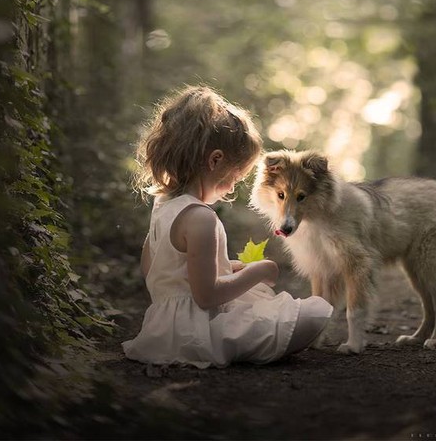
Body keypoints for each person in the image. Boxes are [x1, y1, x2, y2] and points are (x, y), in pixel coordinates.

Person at [122, 85, 333, 368]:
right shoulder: (201, 218)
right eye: (235, 176)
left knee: (265, 301)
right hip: (198, 331)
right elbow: (207, 296)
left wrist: (231, 267)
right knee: (313, 314)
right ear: (215, 160)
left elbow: (160, 270)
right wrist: (258, 270)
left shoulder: (163, 207)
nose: (233, 186)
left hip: (163, 328)